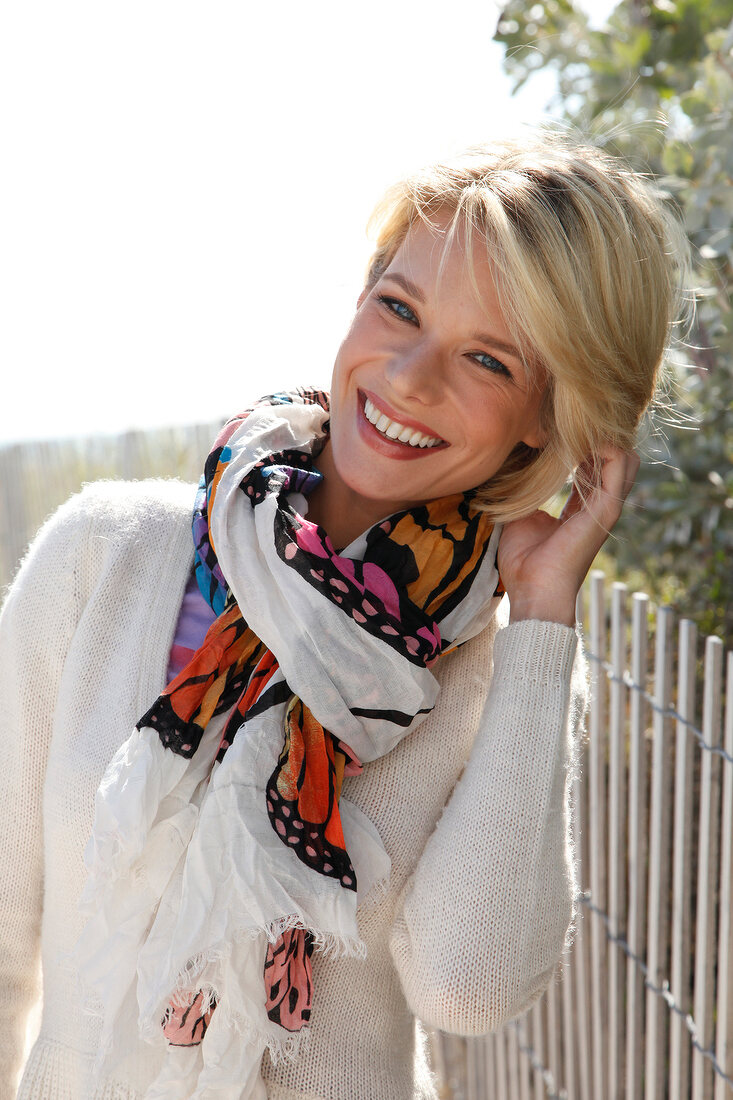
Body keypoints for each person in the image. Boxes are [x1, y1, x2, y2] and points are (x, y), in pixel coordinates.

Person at [0, 131, 686, 1100]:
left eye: (486, 358)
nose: (408, 376)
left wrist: (540, 615)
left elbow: (469, 985)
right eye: (396, 306)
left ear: (550, 411)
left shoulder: (498, 669)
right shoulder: (104, 554)